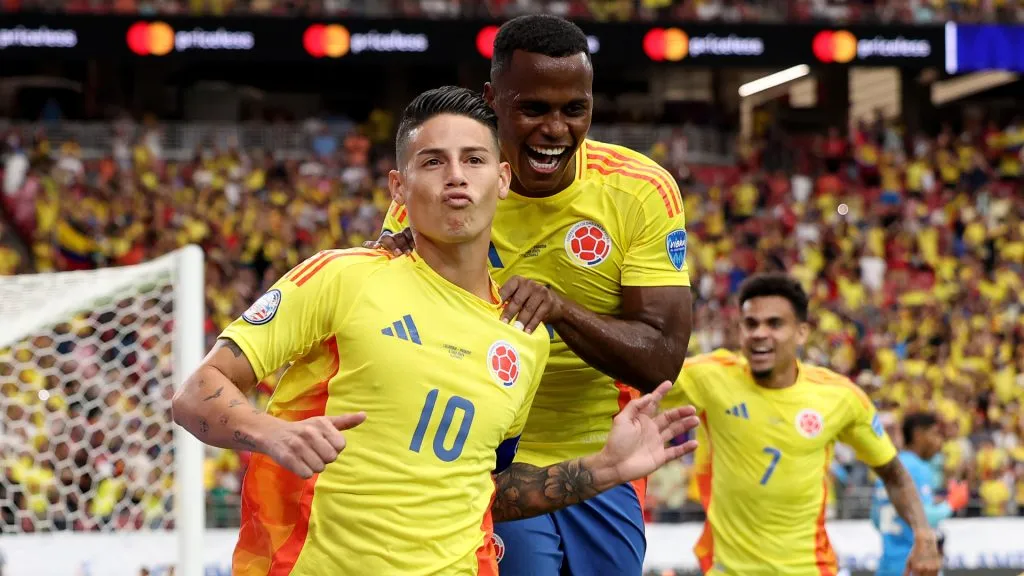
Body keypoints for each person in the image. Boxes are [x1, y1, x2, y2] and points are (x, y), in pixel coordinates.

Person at [171, 86, 700, 575]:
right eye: (433, 161)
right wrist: (273, 433)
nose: (456, 176)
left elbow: (486, 489)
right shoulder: (344, 276)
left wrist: (605, 468)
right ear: (399, 186)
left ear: (503, 179)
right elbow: (197, 393)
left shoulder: (524, 338)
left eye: (474, 159)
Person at [372, 15, 693, 575]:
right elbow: (391, 326)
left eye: (575, 109)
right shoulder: (447, 186)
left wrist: (560, 309)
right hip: (486, 459)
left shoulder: (639, 189)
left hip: (600, 457)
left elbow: (662, 360)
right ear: (492, 100)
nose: (556, 129)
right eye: (534, 109)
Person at [665, 273, 943, 576]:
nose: (760, 333)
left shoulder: (840, 397)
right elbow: (639, 380)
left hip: (809, 568)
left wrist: (924, 533)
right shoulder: (710, 377)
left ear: (801, 332)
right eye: (751, 323)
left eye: (774, 324)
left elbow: (893, 474)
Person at [871, 412, 968, 576]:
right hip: (915, 565)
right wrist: (951, 503)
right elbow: (925, 517)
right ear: (919, 435)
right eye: (935, 433)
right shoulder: (918, 467)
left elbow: (875, 519)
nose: (939, 441)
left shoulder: (889, 468)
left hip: (887, 566)